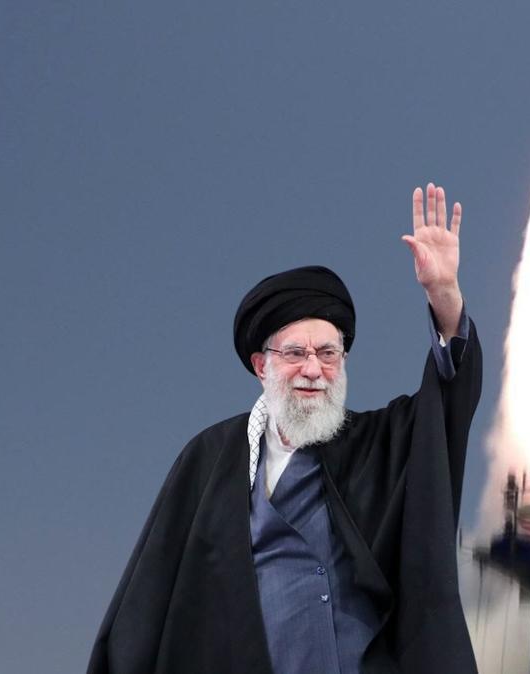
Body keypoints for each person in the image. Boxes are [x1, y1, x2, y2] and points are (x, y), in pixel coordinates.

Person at [89, 183, 481, 674]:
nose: (313, 369)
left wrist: (444, 294)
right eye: (295, 353)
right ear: (262, 365)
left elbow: (448, 397)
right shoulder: (210, 460)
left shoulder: (378, 446)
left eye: (328, 353)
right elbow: (146, 606)